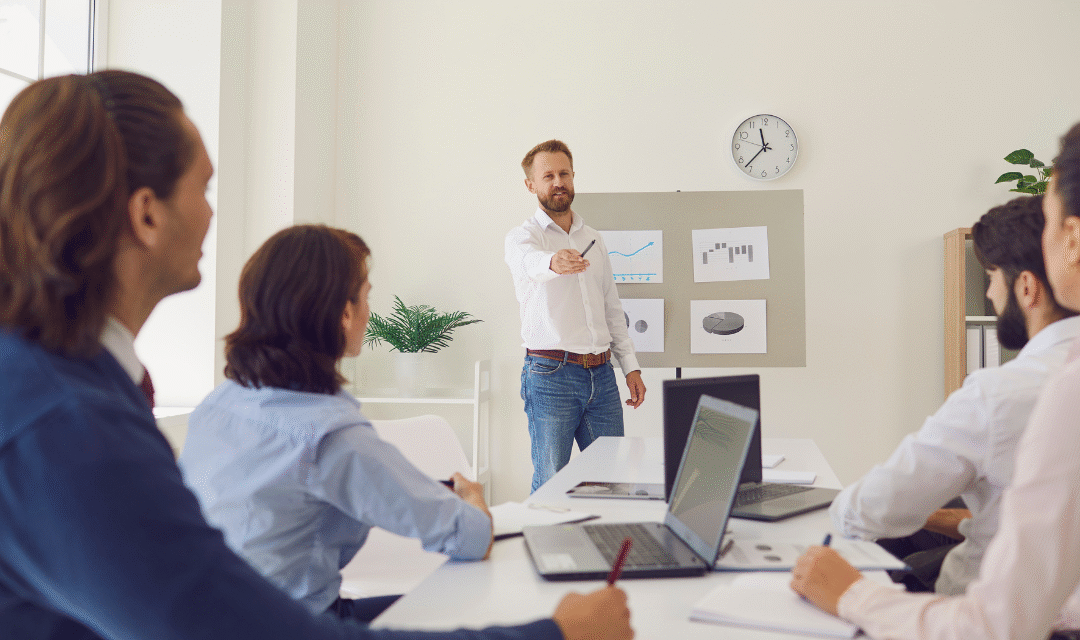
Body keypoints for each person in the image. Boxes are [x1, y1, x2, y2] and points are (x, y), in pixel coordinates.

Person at [0, 71, 633, 640]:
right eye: (205, 189)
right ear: (146, 215)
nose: (211, 213)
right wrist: (554, 638)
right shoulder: (65, 423)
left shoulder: (72, 388)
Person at [791, 123, 1080, 640]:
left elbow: (866, 512)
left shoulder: (1027, 389)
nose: (990, 295)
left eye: (1055, 223)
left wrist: (851, 595)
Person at [179, 224, 492, 623]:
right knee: (476, 612)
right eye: (366, 297)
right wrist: (474, 498)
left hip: (208, 622)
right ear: (345, 313)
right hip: (296, 628)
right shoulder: (329, 438)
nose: (367, 311)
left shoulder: (219, 404)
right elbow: (471, 537)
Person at [829, 195, 1080, 594]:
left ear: (1027, 287)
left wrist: (836, 506)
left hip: (977, 608)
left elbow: (869, 511)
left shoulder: (999, 394)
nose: (991, 295)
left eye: (992, 277)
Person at [505, 140, 646, 492]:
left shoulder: (593, 239)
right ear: (531, 185)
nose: (558, 182)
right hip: (551, 376)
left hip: (602, 374)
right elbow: (528, 263)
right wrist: (552, 262)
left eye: (564, 173)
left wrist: (630, 366)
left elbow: (612, 308)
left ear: (573, 177)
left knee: (612, 481)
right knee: (552, 482)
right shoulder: (523, 237)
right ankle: (548, 546)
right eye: (548, 175)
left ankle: (607, 546)